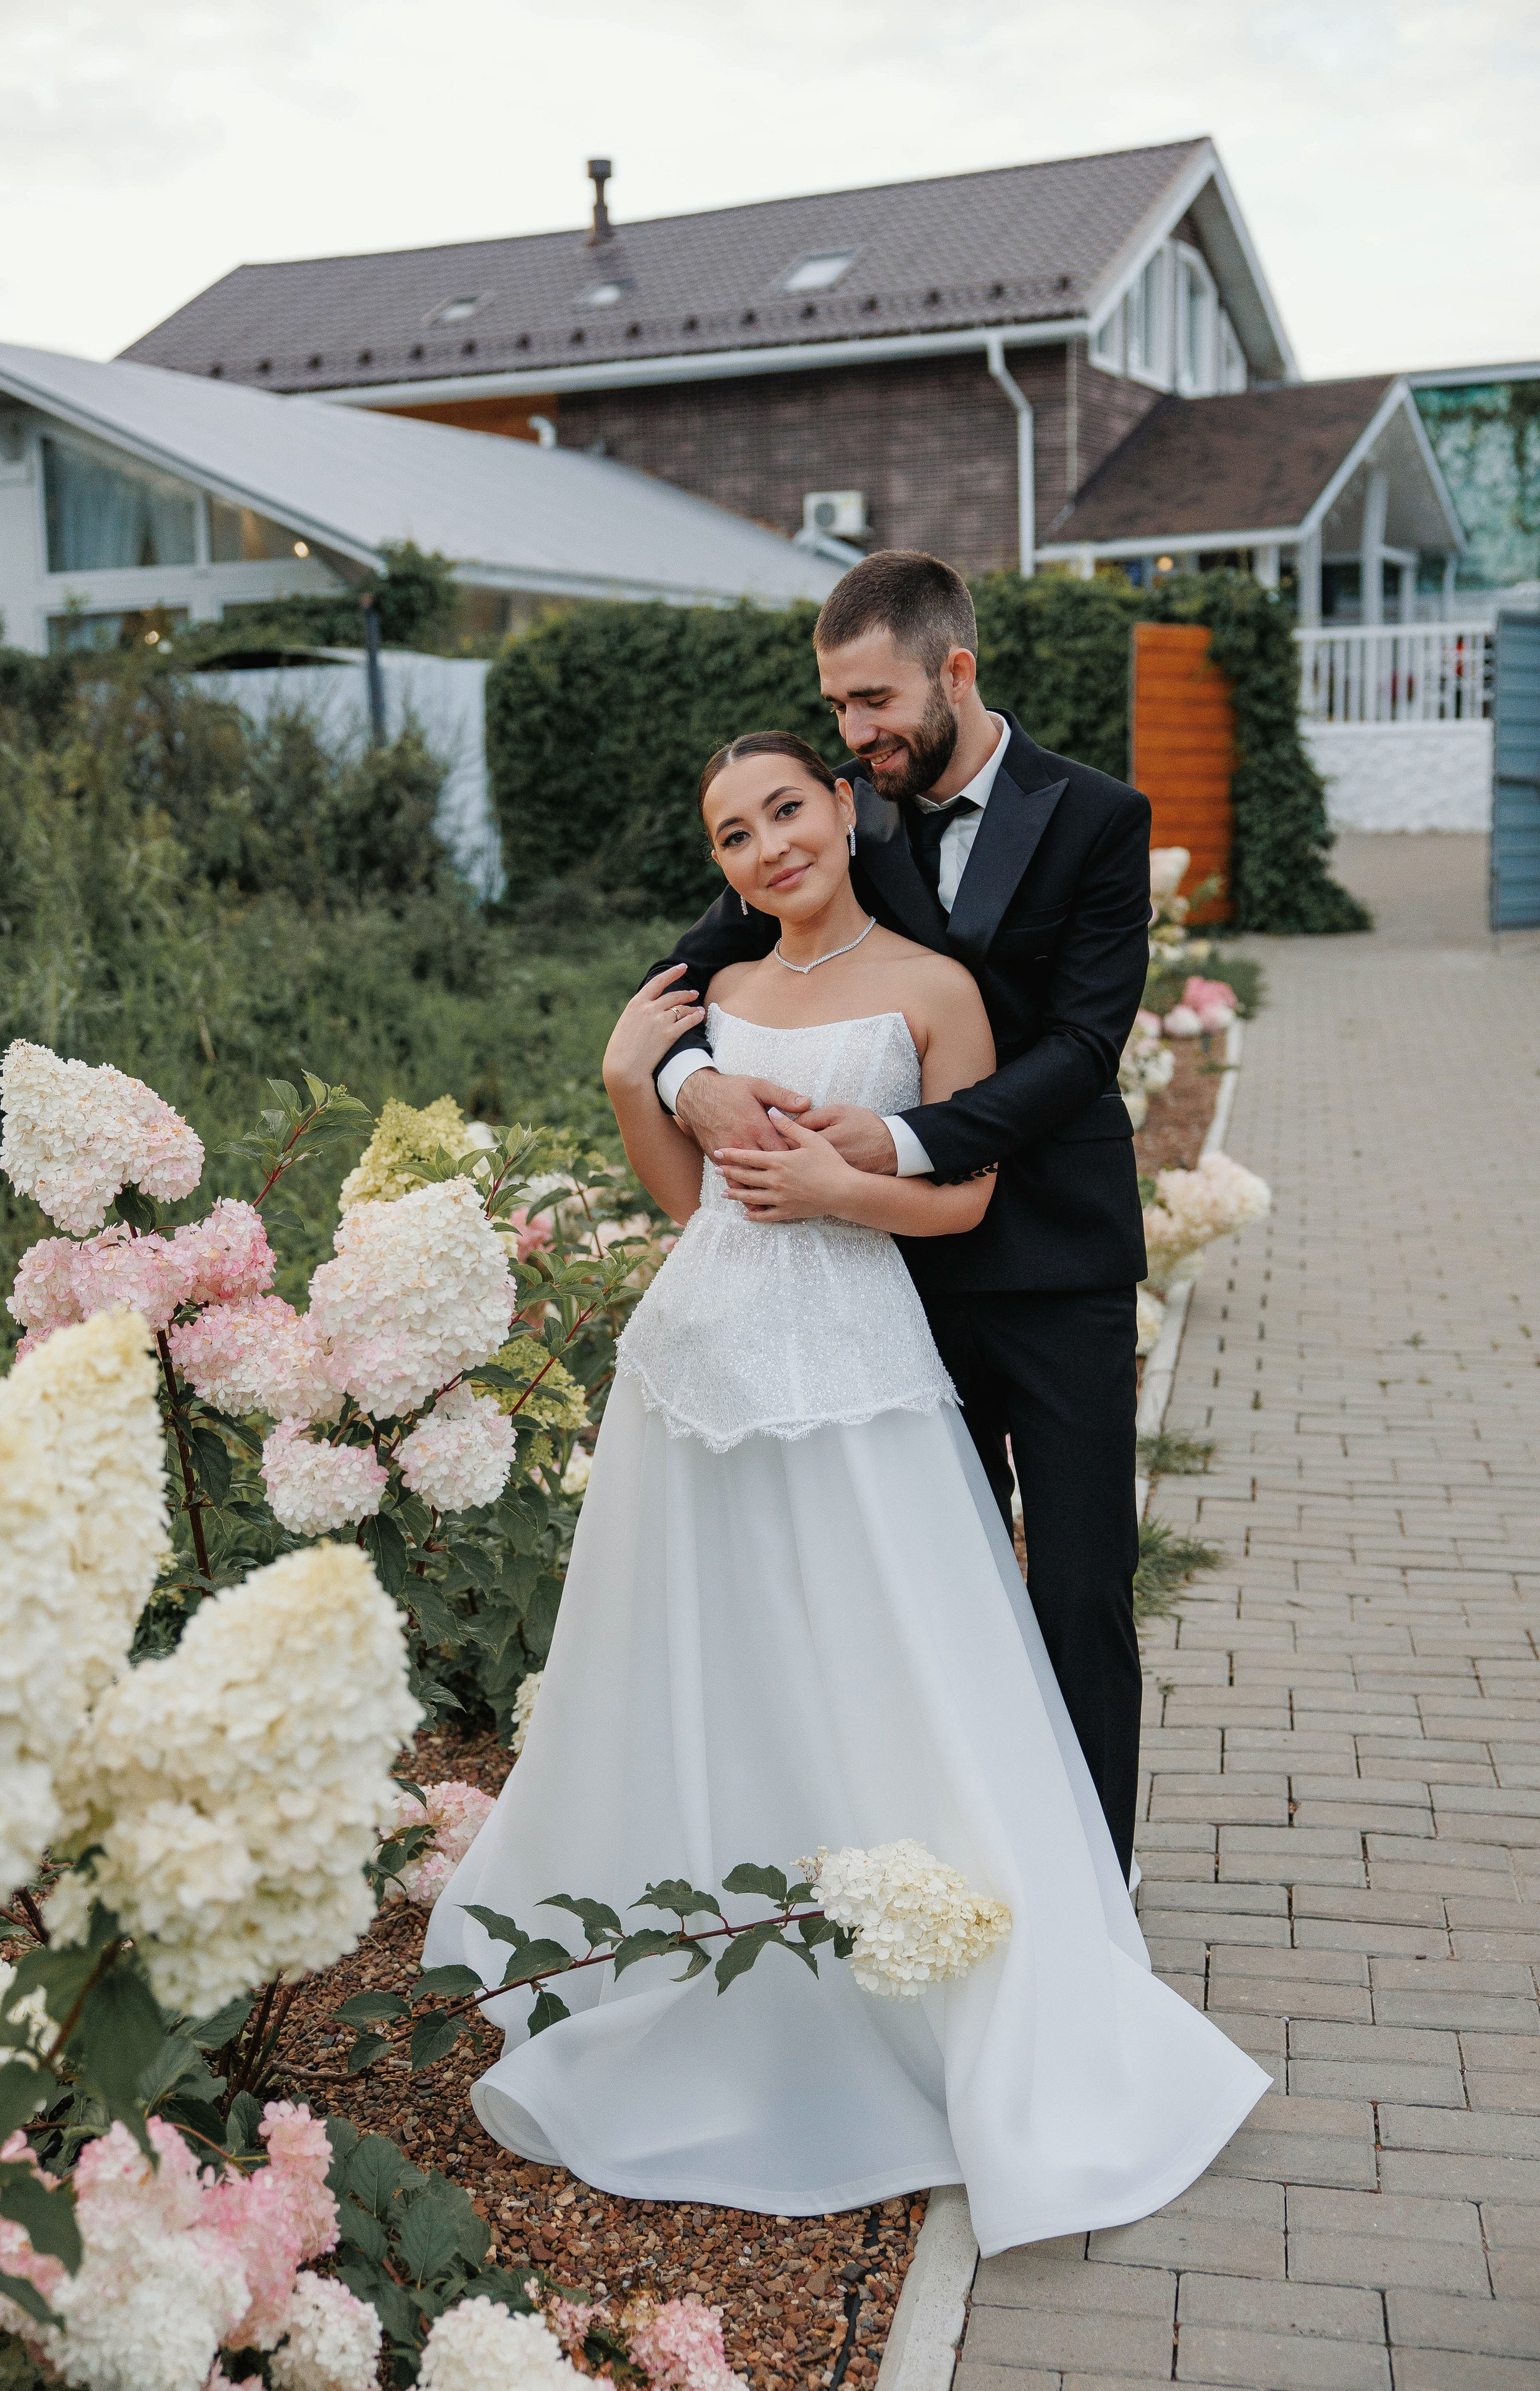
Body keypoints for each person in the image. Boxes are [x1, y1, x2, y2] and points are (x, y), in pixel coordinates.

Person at [424, 731, 1267, 2251]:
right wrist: (638, 1076)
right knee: (711, 1655)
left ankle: (960, 1918)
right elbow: (685, 1205)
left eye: (786, 812)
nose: (764, 849)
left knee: (898, 1645)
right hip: (692, 1374)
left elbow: (961, 1196)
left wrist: (835, 1190)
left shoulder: (932, 991)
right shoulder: (715, 1000)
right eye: (733, 835)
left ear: (842, 812)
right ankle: (716, 1908)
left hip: (860, 1360)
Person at [646, 552, 1150, 1883]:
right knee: (940, 1589)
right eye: (837, 707)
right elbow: (683, 987)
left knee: (1081, 1583)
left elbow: (1083, 1047)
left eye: (873, 700)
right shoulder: (837, 815)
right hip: (890, 1279)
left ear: (953, 671)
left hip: (1051, 1266)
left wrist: (909, 1139)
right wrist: (691, 1085)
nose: (855, 733)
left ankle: (1094, 1883)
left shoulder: (1097, 818)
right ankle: (961, 1861)